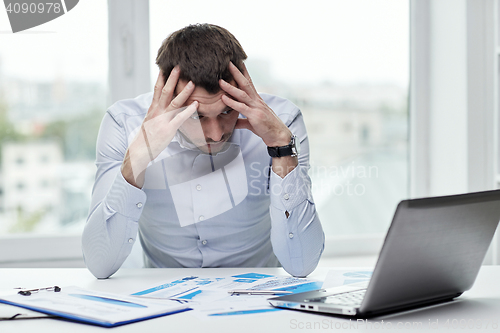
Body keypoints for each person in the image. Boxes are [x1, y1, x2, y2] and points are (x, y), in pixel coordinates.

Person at [82, 23, 324, 279]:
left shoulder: (282, 122)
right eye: (196, 116)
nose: (216, 133)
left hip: (258, 302)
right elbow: (100, 264)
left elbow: (302, 263)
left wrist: (281, 148)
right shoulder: (123, 123)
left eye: (227, 111)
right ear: (167, 93)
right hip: (163, 304)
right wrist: (138, 156)